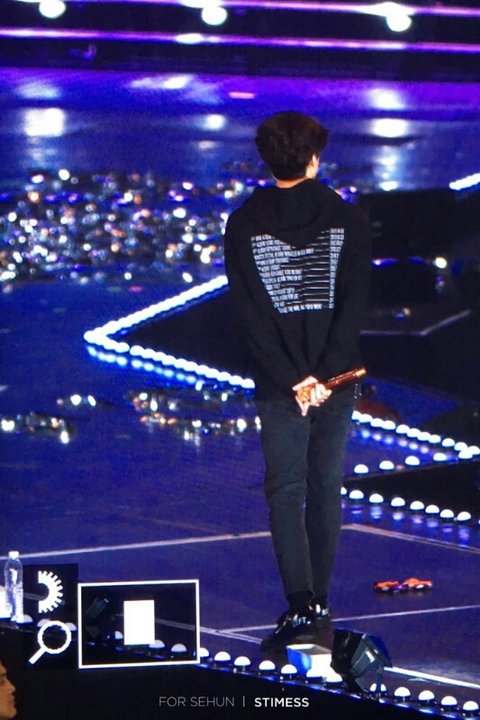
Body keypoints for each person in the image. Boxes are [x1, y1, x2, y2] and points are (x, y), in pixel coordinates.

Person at [224, 111, 371, 651]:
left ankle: (301, 605)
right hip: (336, 380)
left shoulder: (243, 223)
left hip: (280, 383)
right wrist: (324, 378)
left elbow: (250, 315)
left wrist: (294, 378)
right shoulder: (348, 219)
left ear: (267, 159)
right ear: (314, 158)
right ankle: (321, 604)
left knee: (286, 490)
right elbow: (352, 307)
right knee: (324, 487)